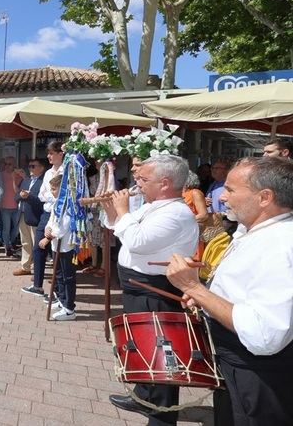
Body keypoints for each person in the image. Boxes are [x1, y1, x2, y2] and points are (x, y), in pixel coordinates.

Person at [166, 156, 293, 425]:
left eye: (232, 189)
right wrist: (206, 298)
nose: (223, 196)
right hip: (238, 367)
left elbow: (264, 334)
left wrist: (194, 288)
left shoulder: (280, 245)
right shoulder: (254, 231)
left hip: (257, 375)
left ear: (264, 197)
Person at [102, 155, 199, 426]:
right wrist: (111, 209)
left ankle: (162, 417)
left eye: (144, 179)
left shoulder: (176, 213)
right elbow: (121, 229)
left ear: (165, 183)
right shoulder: (153, 206)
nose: (137, 183)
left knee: (161, 353)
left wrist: (122, 212)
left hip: (157, 290)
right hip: (137, 286)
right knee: (140, 346)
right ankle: (143, 395)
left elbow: (137, 241)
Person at [22, 142, 64, 297]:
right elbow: (41, 195)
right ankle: (37, 285)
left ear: (61, 154)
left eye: (51, 153)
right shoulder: (47, 173)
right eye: (48, 153)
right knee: (38, 248)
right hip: (46, 215)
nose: (48, 156)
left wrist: (51, 197)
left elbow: (61, 196)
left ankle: (58, 291)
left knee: (56, 252)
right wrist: (52, 196)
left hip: (59, 215)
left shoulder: (66, 171)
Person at [36, 174, 76, 320]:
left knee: (67, 276)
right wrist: (47, 228)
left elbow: (63, 226)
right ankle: (61, 299)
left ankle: (69, 308)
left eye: (54, 189)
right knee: (58, 274)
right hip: (55, 245)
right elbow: (52, 220)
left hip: (65, 245)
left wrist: (48, 237)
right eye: (51, 189)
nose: (52, 191)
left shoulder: (67, 203)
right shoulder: (58, 202)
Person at [13, 158, 45, 276]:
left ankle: (37, 270)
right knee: (25, 243)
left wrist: (28, 196)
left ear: (41, 168)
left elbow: (43, 201)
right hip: (22, 215)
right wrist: (21, 196)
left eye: (33, 166)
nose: (30, 168)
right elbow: (16, 197)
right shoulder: (25, 180)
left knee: (36, 245)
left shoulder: (43, 182)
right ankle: (25, 267)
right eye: (29, 166)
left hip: (35, 217)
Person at [0, 156, 23, 259]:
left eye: (9, 164)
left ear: (14, 164)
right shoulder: (1, 174)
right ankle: (7, 246)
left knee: (17, 228)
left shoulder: (19, 175)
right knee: (6, 228)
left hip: (17, 206)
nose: (7, 166)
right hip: (5, 206)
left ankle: (10, 242)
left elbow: (19, 190)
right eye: (6, 164)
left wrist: (16, 176)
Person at [182, 170, 208, 261]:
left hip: (191, 233)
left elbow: (204, 215)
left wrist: (184, 221)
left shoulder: (195, 193)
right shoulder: (179, 194)